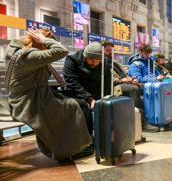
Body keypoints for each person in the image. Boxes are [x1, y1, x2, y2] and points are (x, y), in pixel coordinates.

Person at [6, 29, 92, 160]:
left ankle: (76, 145)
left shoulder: (23, 52)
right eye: (46, 44)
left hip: (35, 95)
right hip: (29, 102)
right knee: (75, 106)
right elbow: (62, 51)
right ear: (40, 42)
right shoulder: (29, 56)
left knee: (78, 104)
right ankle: (71, 149)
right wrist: (44, 39)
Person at [102, 42, 159, 132]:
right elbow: (106, 79)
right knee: (134, 89)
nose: (110, 52)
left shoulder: (113, 62)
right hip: (114, 86)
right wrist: (122, 80)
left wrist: (131, 80)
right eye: (107, 50)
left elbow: (124, 74)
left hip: (124, 82)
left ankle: (152, 115)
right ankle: (142, 121)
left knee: (147, 86)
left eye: (111, 50)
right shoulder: (102, 62)